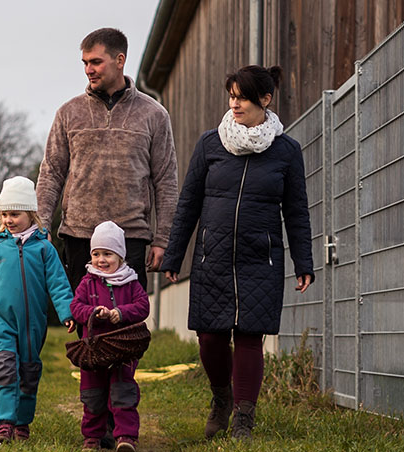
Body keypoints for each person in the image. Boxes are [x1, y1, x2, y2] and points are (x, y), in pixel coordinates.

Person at [159, 65, 314, 440]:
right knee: (210, 338)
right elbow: (188, 204)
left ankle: (245, 416)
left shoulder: (287, 151)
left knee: (249, 336)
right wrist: (174, 255)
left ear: (265, 99)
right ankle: (222, 397)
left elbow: (296, 211)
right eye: (231, 96)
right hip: (212, 258)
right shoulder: (210, 144)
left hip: (260, 260)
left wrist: (303, 261)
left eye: (242, 96)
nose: (235, 103)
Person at [37, 27, 179, 292]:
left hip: (131, 237)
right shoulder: (69, 113)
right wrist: (41, 226)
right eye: (85, 63)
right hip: (79, 236)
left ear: (120, 60)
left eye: (96, 62)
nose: (89, 69)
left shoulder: (154, 114)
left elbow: (166, 181)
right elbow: (51, 173)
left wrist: (163, 239)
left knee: (127, 324)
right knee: (84, 319)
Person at [0, 176, 76, 446]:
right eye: (4, 214)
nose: (9, 220)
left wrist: (67, 313)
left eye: (15, 214)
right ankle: (6, 423)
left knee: (28, 371)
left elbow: (58, 284)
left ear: (31, 214)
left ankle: (22, 423)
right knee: (4, 369)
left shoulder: (45, 249)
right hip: (1, 322)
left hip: (33, 325)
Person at [69, 221, 149, 452]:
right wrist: (93, 313)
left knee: (123, 392)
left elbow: (143, 307)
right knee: (92, 395)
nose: (101, 260)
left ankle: (125, 437)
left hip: (124, 350)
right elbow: (76, 307)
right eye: (96, 254)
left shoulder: (131, 282)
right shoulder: (87, 282)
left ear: (120, 257)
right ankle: (92, 437)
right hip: (93, 350)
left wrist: (121, 314)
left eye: (108, 254)